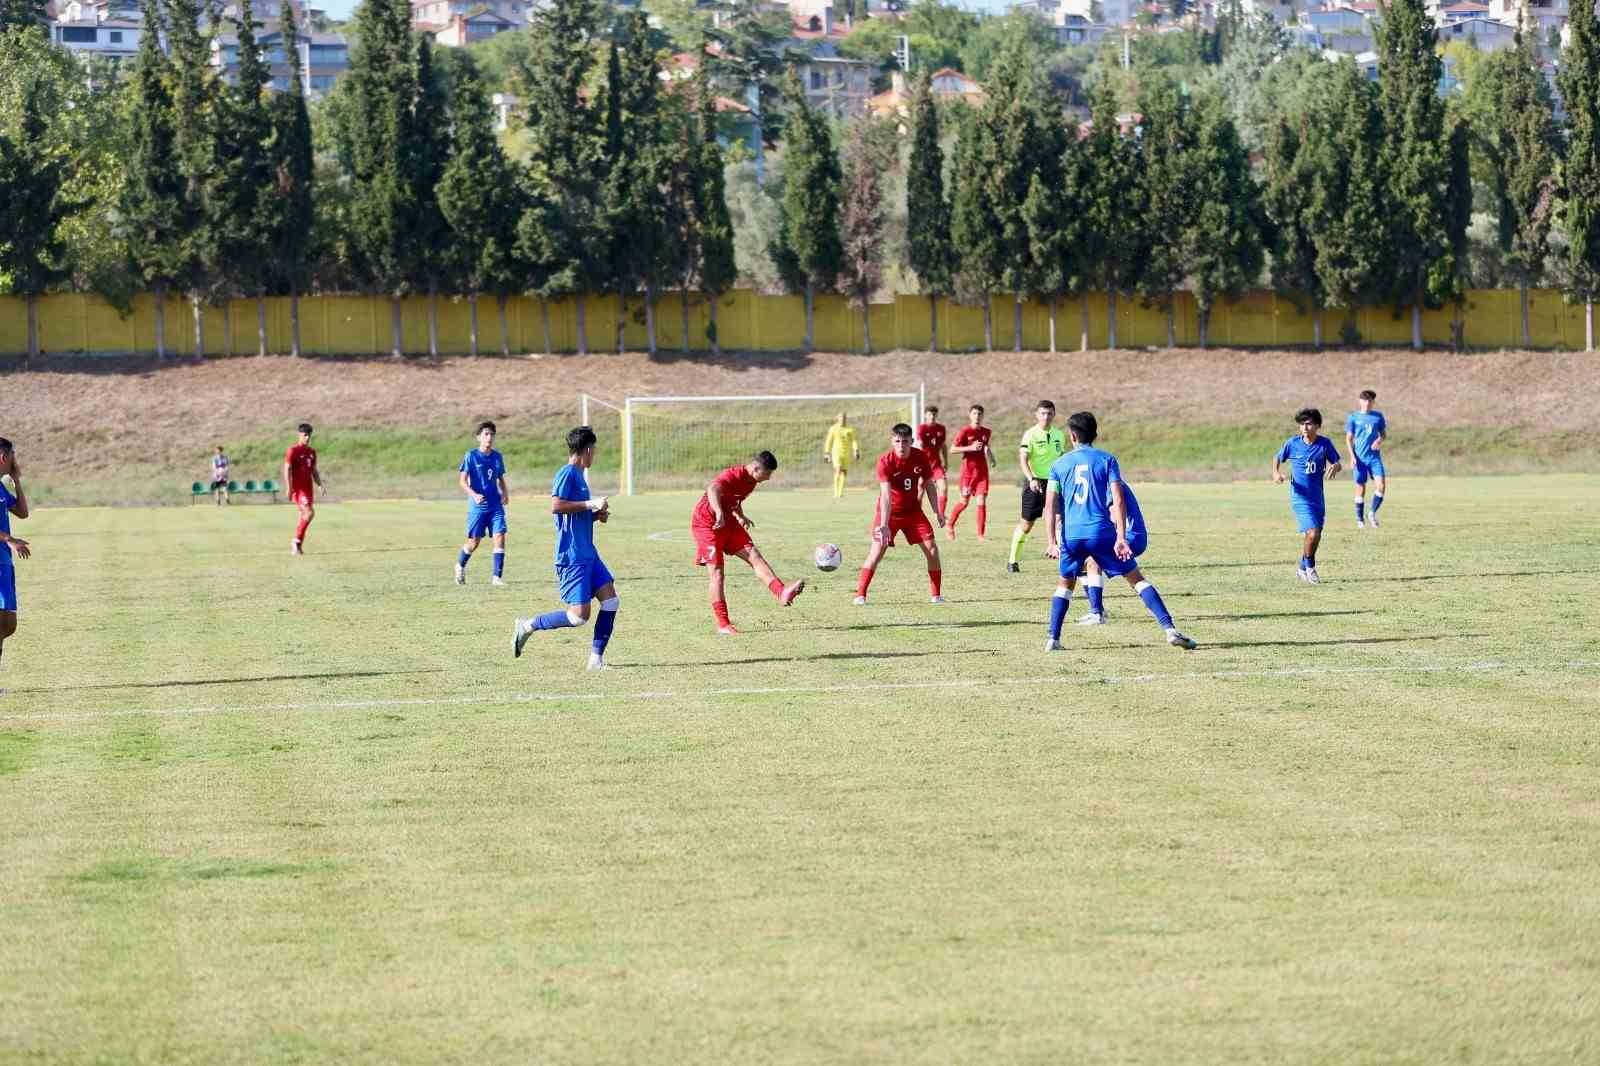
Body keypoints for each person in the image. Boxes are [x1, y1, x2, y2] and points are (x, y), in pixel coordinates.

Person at [1042, 412, 1196, 651]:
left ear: (1072, 436)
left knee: (1064, 585)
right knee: (1136, 580)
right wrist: (1122, 537)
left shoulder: (1058, 465)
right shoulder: (1107, 460)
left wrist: (1052, 541)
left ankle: (1053, 638)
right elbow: (1118, 498)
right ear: (1095, 434)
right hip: (1101, 533)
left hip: (1071, 537)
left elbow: (1049, 505)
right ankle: (1169, 629)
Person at [512, 426, 619, 671]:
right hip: (572, 557)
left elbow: (573, 514)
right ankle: (527, 626)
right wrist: (590, 503)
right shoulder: (568, 473)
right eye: (595, 451)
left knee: (611, 601)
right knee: (578, 617)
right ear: (588, 450)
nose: (595, 455)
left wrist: (595, 514)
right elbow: (556, 506)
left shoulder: (580, 476)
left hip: (589, 554)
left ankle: (595, 660)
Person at [691, 451, 806, 634]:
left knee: (754, 555)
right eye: (767, 474)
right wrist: (719, 512)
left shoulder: (752, 482)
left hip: (728, 521)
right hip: (707, 524)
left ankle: (781, 592)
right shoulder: (732, 474)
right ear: (756, 468)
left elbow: (734, 498)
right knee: (717, 572)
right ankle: (723, 625)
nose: (768, 478)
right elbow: (713, 489)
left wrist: (740, 515)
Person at [854, 423, 946, 605]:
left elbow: (929, 484)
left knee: (932, 550)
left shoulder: (920, 457)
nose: (901, 445)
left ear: (912, 441)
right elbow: (886, 495)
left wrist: (937, 511)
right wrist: (883, 523)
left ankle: (936, 596)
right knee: (877, 552)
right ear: (892, 441)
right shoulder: (885, 462)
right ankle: (860, 595)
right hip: (889, 514)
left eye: (905, 441)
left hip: (913, 513)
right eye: (897, 441)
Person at [1273, 408, 1343, 583]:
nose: (1304, 427)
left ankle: (1301, 568)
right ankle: (1311, 569)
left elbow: (1337, 463)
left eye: (1309, 423)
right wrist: (1276, 473)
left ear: (1317, 426)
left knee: (1315, 535)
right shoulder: (1292, 443)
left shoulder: (1324, 444)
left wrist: (1335, 466)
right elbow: (1277, 457)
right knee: (1312, 533)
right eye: (1302, 424)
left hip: (1318, 498)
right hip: (1300, 497)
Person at [1073, 477, 1149, 626]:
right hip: (1124, 535)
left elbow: (1114, 517)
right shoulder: (1105, 482)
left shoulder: (1109, 484)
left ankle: (1096, 613)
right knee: (1081, 562)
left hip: (1130, 536)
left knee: (1093, 561)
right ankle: (1097, 610)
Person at [1008, 400, 1066, 573]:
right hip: (1035, 483)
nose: (1046, 417)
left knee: (1059, 520)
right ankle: (1012, 561)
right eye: (1042, 413)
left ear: (1054, 414)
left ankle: (1063, 560)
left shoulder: (1059, 435)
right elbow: (1023, 459)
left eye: (1049, 413)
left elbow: (1061, 458)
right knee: (1026, 525)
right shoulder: (1030, 434)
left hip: (1055, 483)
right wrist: (1031, 478)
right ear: (1037, 414)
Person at [456, 421, 510, 586]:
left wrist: (505, 493)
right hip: (478, 507)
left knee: (500, 536)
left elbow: (500, 478)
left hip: (495, 505)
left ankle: (497, 578)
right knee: (474, 542)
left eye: (492, 434)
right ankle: (459, 566)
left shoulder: (497, 457)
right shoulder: (471, 456)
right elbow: (462, 481)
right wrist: (474, 495)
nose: (489, 437)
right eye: (486, 434)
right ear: (478, 437)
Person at [0, 438, 32, 679]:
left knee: (8, 625)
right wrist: (9, 539)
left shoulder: (0, 488)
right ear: (4, 457)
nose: (14, 461)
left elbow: (22, 512)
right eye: (12, 456)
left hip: (4, 562)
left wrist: (16, 481)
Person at [946, 404, 996, 540]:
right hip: (968, 473)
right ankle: (950, 525)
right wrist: (971, 447)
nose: (977, 416)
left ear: (983, 416)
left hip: (982, 473)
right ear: (970, 415)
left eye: (980, 414)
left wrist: (992, 458)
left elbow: (986, 447)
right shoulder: (965, 431)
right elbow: (952, 449)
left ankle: (981, 535)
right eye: (974, 413)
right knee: (964, 502)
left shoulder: (986, 432)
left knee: (981, 502)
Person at [1345, 389, 1388, 528]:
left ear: (1373, 402)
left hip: (1374, 458)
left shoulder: (1378, 417)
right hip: (1360, 459)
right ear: (1360, 401)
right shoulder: (1353, 417)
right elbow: (1349, 439)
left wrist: (1379, 440)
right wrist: (1352, 457)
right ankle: (1359, 520)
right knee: (1360, 487)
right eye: (1365, 400)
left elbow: (1383, 434)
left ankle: (1371, 513)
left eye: (1370, 400)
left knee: (1381, 486)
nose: (1367, 403)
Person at [283, 423, 322, 555]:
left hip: (308, 488)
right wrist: (289, 488)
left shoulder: (312, 452)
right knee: (309, 513)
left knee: (304, 515)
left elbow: (314, 471)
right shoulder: (293, 450)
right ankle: (296, 541)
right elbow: (287, 469)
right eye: (305, 435)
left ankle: (297, 545)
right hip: (299, 489)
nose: (307, 437)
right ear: (299, 435)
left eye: (309, 435)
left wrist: (320, 484)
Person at [915, 405, 950, 522]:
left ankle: (940, 514)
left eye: (934, 414)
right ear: (925, 415)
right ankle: (916, 514)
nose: (932, 417)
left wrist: (945, 461)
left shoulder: (941, 429)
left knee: (943, 488)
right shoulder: (922, 428)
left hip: (937, 466)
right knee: (920, 491)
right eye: (930, 414)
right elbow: (919, 445)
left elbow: (943, 446)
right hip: (924, 465)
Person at [822, 412, 860, 500]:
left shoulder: (850, 430)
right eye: (841, 417)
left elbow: (854, 441)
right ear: (837, 418)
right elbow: (829, 441)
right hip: (836, 453)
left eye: (844, 417)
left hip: (846, 454)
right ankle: (835, 492)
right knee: (838, 470)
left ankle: (840, 493)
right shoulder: (833, 429)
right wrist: (827, 453)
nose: (843, 419)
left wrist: (856, 450)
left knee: (844, 472)